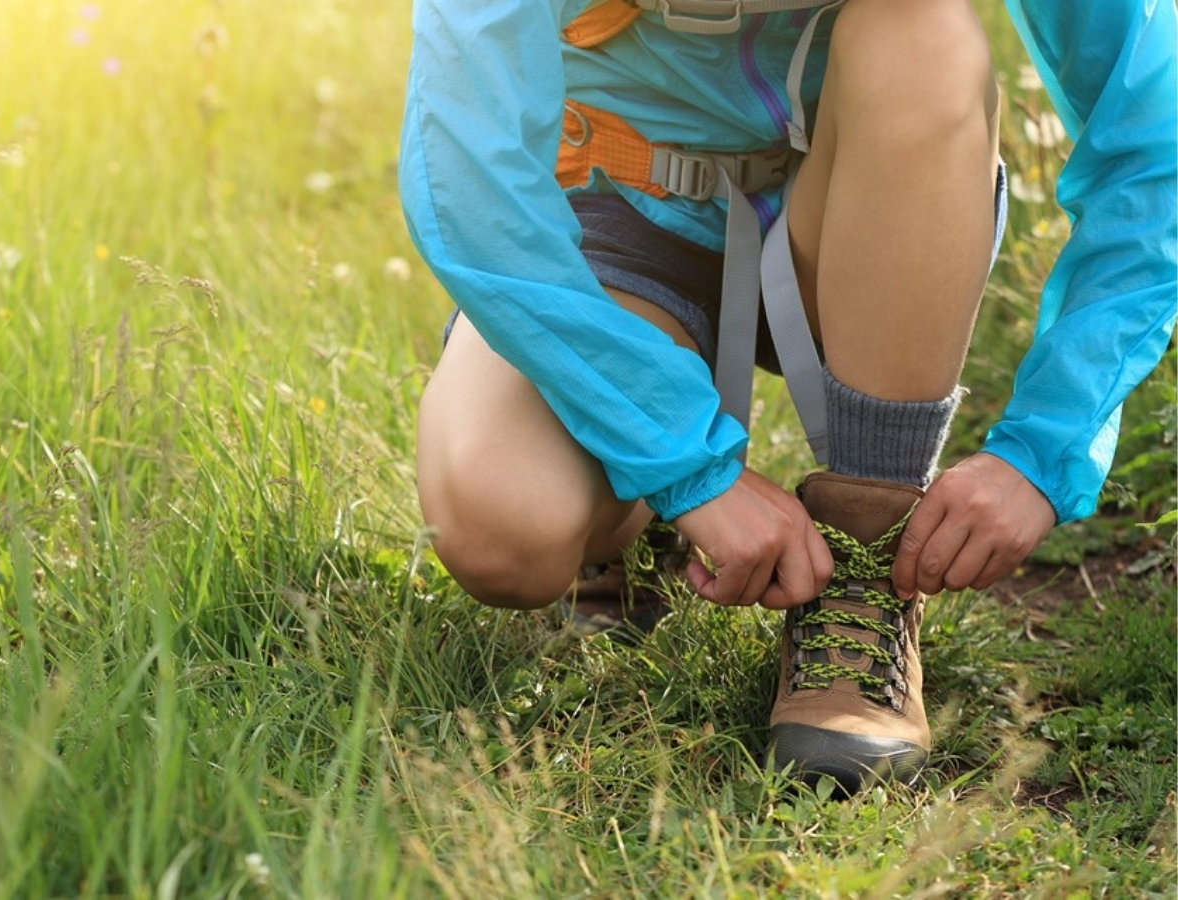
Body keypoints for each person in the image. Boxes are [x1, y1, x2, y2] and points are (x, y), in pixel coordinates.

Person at [398, 0, 1176, 793]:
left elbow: (1156, 138)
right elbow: (469, 180)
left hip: (864, 203)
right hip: (607, 204)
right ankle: (630, 521)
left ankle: (864, 575)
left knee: (926, 35)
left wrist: (1047, 446)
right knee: (504, 526)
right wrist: (685, 466)